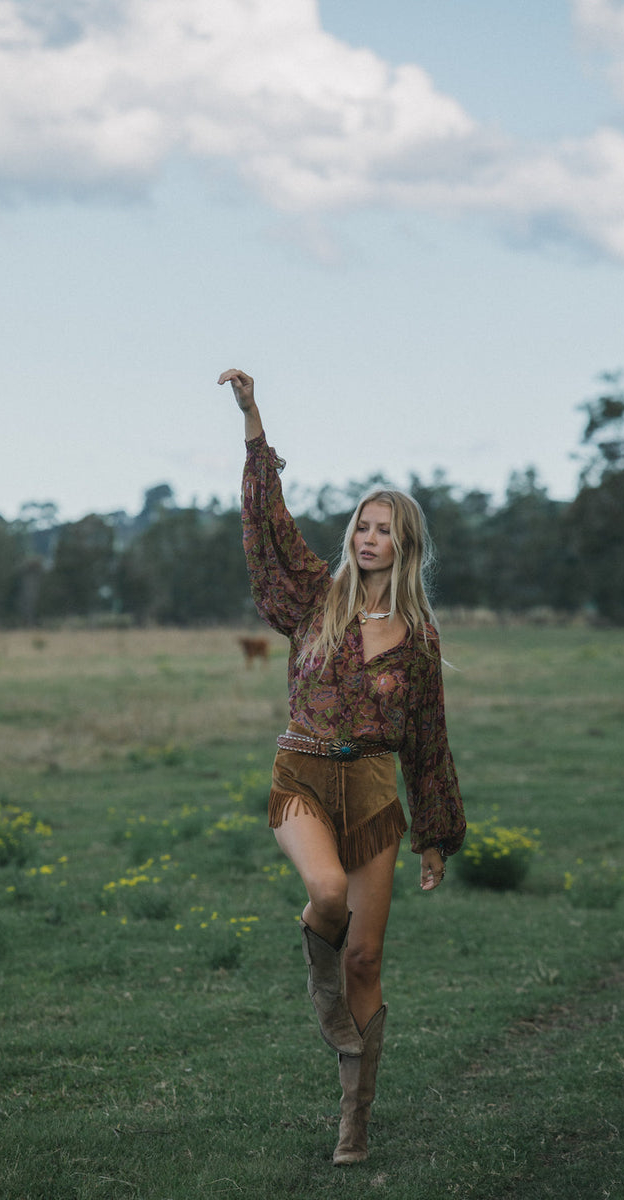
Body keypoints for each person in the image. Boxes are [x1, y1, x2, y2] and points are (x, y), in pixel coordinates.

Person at [218, 368, 466, 1165]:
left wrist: (436, 834)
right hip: (303, 772)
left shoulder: (420, 643)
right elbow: (268, 524)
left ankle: (353, 1123)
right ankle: (316, 979)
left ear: (405, 544)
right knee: (326, 896)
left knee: (366, 956)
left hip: (372, 787)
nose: (367, 538)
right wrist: (255, 422)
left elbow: (429, 738)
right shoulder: (311, 600)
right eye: (362, 524)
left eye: (383, 529)